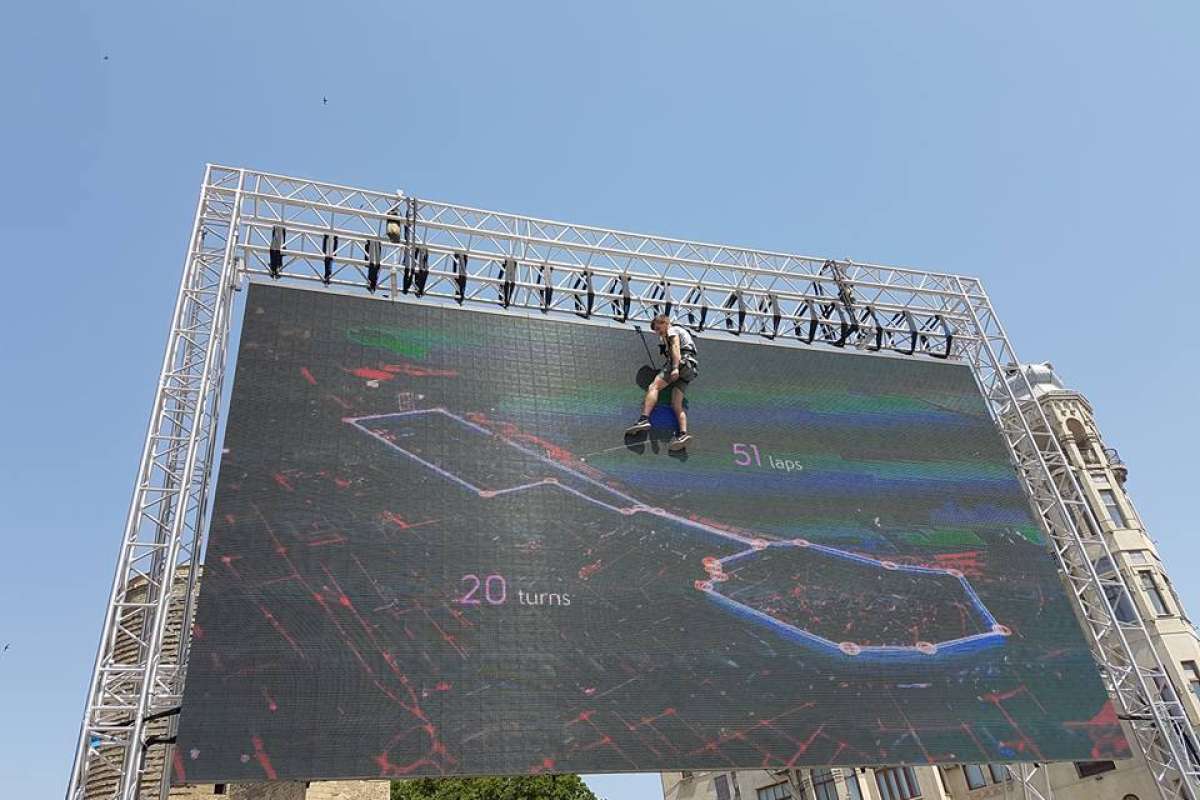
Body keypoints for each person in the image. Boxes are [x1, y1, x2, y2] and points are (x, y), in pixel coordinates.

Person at [625, 314, 699, 450]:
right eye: (655, 331)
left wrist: (675, 368)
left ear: (665, 323)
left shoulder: (672, 330)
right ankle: (683, 434)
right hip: (690, 368)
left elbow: (675, 347)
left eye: (658, 328)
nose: (658, 332)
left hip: (680, 362)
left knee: (654, 387)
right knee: (676, 404)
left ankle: (644, 419)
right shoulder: (683, 332)